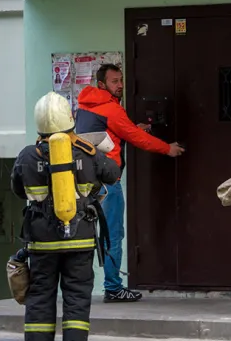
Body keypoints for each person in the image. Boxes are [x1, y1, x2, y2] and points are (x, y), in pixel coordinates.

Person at [10, 91, 121, 341]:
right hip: (80, 238)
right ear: (70, 119)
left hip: (41, 241)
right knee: (76, 295)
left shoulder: (27, 154)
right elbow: (112, 173)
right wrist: (94, 151)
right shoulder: (85, 150)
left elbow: (16, 189)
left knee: (40, 295)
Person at [76, 63, 185, 303]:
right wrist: (168, 149)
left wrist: (131, 129)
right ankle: (113, 288)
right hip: (108, 183)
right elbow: (137, 139)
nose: (120, 85)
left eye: (121, 80)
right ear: (102, 84)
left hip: (89, 183)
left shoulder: (85, 106)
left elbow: (109, 134)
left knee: (98, 235)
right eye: (115, 81)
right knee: (113, 235)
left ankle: (96, 286)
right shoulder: (111, 110)